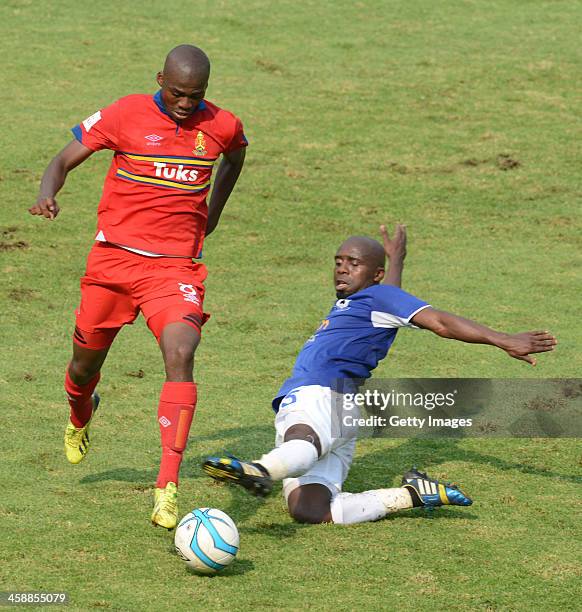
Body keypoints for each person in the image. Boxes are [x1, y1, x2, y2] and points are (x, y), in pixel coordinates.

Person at [203, 224, 557, 524]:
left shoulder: (375, 299)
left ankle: (261, 471)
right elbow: (392, 298)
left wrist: (503, 339)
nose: (342, 268)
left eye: (353, 263)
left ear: (373, 275)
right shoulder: (370, 302)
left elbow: (441, 323)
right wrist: (397, 260)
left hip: (321, 396)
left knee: (303, 438)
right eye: (338, 261)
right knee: (309, 510)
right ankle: (411, 495)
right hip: (342, 409)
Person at [29, 45, 247, 529]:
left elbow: (236, 156)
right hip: (113, 264)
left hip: (174, 269)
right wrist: (48, 194)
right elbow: (62, 160)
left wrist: (212, 213)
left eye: (196, 96)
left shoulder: (223, 125)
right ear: (159, 80)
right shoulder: (125, 114)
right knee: (84, 367)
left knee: (182, 350)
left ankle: (166, 487)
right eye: (177, 94)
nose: (186, 105)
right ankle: (80, 411)